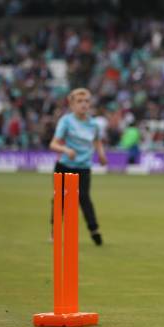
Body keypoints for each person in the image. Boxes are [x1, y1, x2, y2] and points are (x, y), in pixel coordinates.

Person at [49, 88, 107, 246]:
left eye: (87, 101)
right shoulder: (66, 121)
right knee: (60, 200)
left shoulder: (94, 124)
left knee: (84, 198)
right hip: (65, 165)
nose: (84, 105)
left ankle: (94, 229)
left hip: (83, 167)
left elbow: (97, 141)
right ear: (72, 104)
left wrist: (101, 154)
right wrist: (66, 150)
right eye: (79, 101)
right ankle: (55, 231)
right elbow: (53, 144)